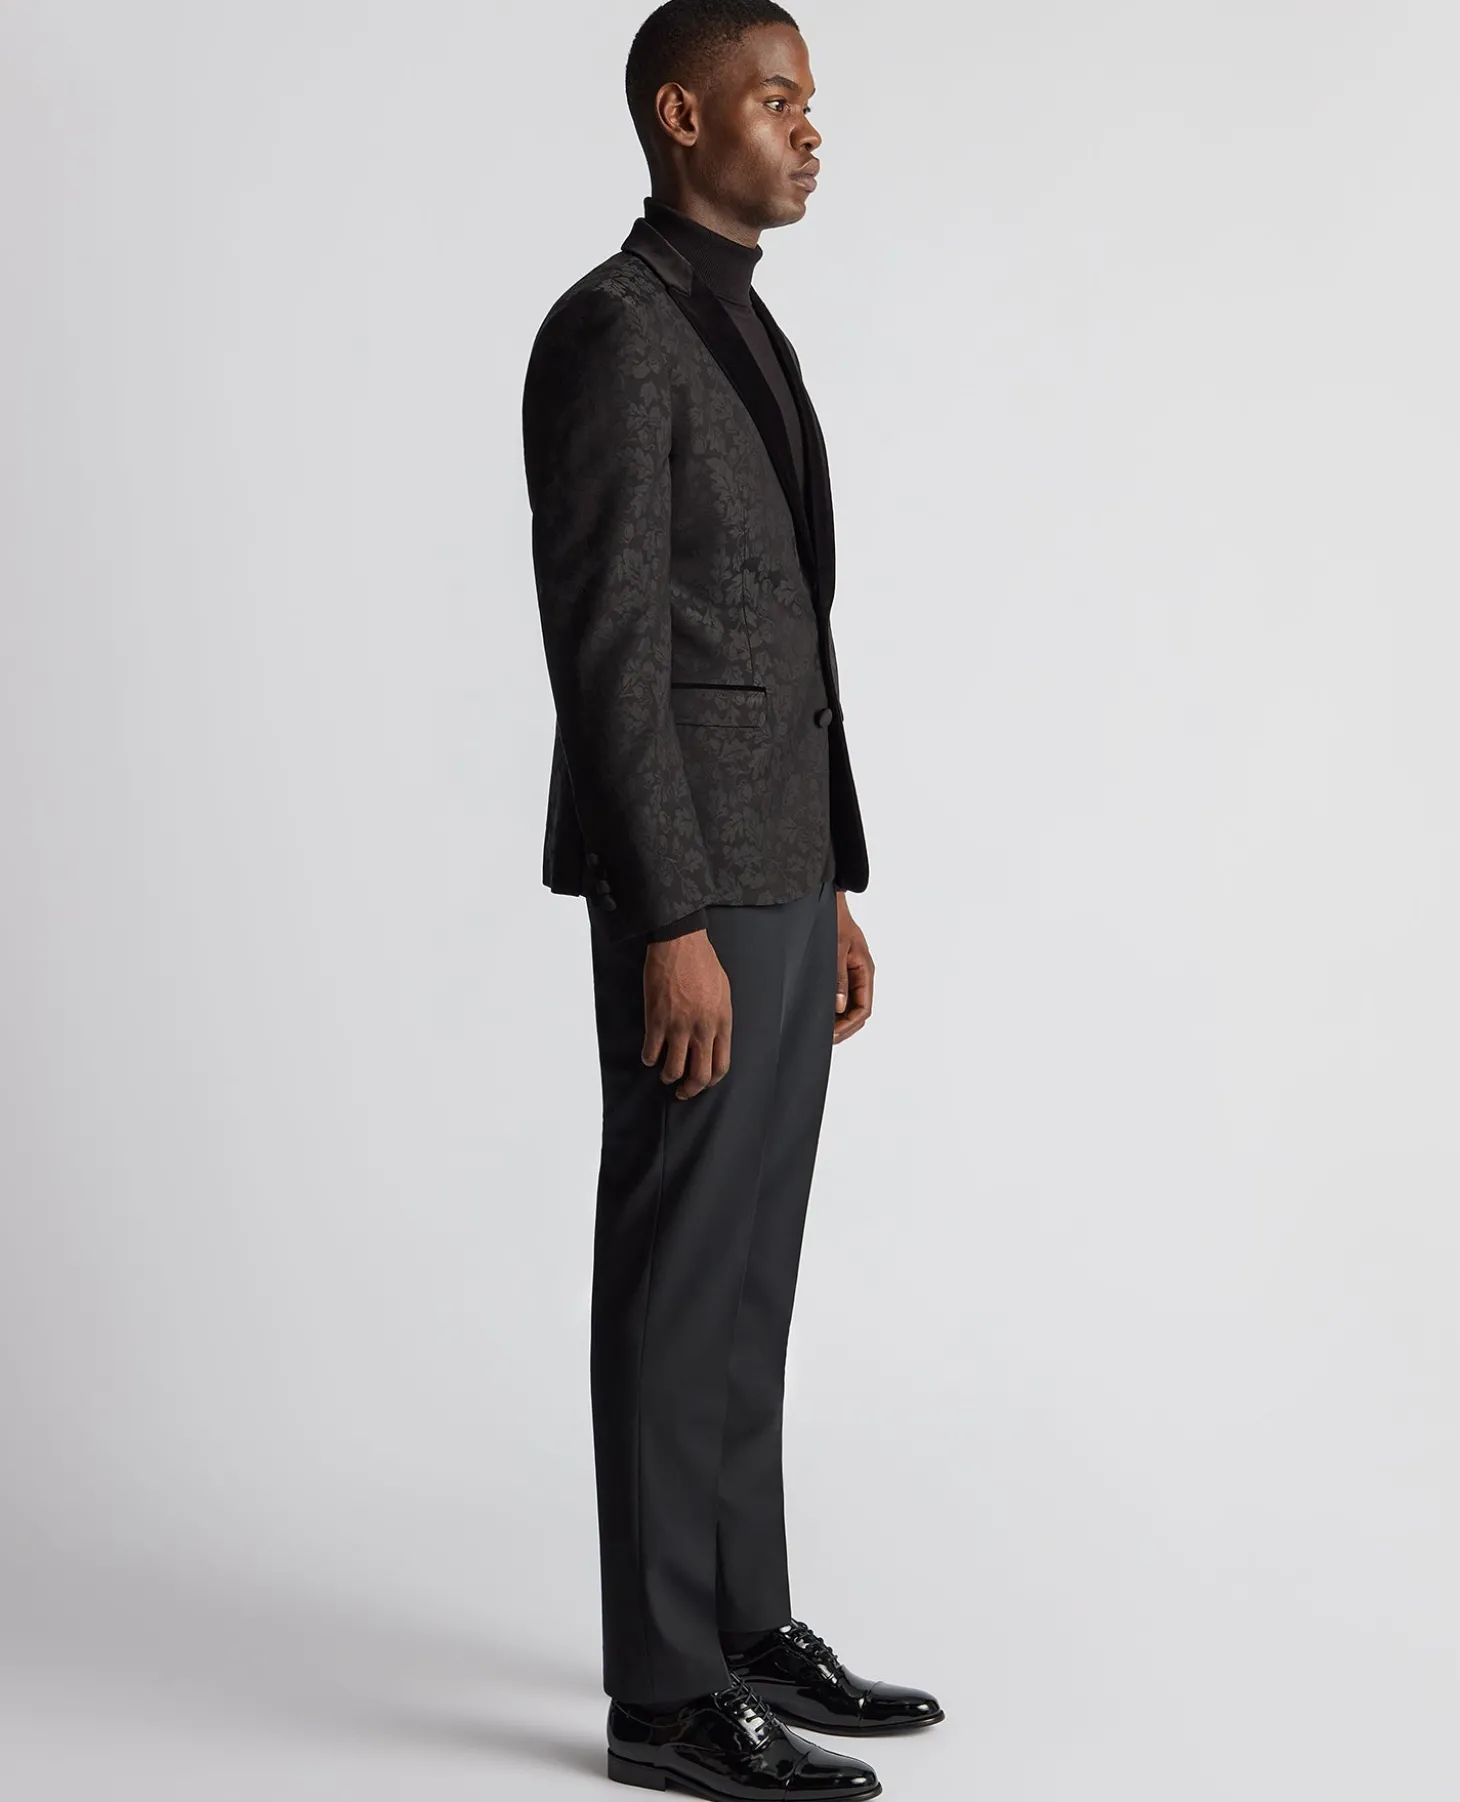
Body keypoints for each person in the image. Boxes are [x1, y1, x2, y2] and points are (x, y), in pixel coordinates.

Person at [521, 4, 942, 1794]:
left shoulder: (745, 322)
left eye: (811, 103)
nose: (808, 128)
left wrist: (831, 875)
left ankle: (747, 1621)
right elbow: (611, 649)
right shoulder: (612, 331)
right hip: (689, 882)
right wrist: (670, 914)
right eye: (777, 99)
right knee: (674, 1265)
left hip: (782, 867)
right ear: (682, 116)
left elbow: (782, 642)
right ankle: (665, 1695)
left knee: (750, 1263)